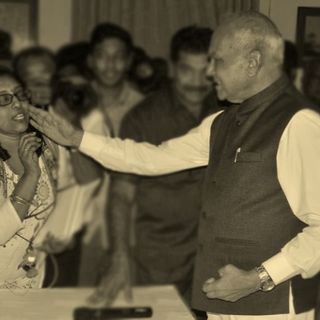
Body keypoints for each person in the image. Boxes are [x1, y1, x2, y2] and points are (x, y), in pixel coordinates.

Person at [28, 11, 320, 319]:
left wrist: (259, 277)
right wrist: (78, 139)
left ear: (252, 63)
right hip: (225, 297)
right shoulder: (223, 122)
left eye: (217, 60)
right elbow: (152, 158)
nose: (209, 73)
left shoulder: (299, 123)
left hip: (271, 303)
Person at [92, 25, 219, 311]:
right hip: (158, 262)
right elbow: (121, 195)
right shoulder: (143, 119)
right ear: (173, 68)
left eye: (205, 71)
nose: (197, 82)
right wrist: (119, 256)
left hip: (214, 263)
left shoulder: (226, 112)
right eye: (187, 70)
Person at [0, 68, 58, 289]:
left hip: (34, 280)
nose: (17, 104)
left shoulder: (45, 143)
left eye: (20, 95)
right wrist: (30, 174)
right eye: (4, 99)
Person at [87, 22, 144, 135]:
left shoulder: (141, 106)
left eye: (118, 56)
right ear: (90, 60)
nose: (110, 64)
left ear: (129, 61)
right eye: (102, 56)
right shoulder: (75, 99)